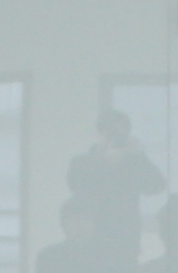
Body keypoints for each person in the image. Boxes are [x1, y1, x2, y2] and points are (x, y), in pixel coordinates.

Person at [65, 109, 166, 257]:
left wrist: (139, 156)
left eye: (121, 136)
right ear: (99, 134)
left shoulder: (133, 164)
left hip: (125, 242)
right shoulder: (82, 163)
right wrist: (104, 162)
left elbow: (157, 186)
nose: (115, 140)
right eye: (111, 134)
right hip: (90, 240)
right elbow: (78, 188)